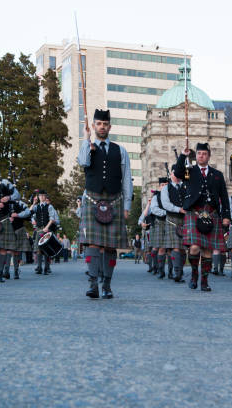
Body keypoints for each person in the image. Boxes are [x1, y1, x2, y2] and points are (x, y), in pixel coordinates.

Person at [78, 109, 133, 299]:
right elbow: (83, 162)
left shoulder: (121, 150)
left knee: (110, 247)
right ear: (93, 126)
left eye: (105, 124)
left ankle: (107, 286)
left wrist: (127, 206)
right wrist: (87, 140)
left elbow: (127, 180)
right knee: (92, 244)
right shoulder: (88, 146)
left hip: (115, 200)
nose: (102, 127)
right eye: (98, 124)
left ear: (110, 126)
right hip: (92, 199)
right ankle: (93, 284)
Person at [174, 142, 230, 292]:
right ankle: (194, 275)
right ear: (196, 155)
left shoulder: (217, 175)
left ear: (209, 156)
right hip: (194, 212)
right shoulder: (189, 171)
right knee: (194, 247)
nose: (201, 156)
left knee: (208, 250)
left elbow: (224, 197)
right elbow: (177, 173)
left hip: (212, 214)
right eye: (199, 153)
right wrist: (182, 155)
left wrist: (226, 216)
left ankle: (204, 281)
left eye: (204, 153)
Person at [160, 165, 188, 283]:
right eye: (174, 173)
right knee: (176, 247)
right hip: (172, 220)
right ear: (171, 174)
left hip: (186, 220)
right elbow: (165, 204)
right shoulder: (166, 188)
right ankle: (177, 273)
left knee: (183, 249)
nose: (176, 175)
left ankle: (180, 272)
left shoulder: (187, 186)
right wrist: (179, 209)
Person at [29, 190, 60, 275]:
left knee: (46, 249)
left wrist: (47, 227)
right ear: (38, 197)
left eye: (43, 196)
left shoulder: (49, 206)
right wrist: (33, 203)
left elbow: (52, 219)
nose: (42, 197)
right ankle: (39, 267)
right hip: (39, 229)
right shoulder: (36, 206)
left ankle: (46, 268)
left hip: (47, 229)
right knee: (38, 249)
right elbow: (29, 212)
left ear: (45, 197)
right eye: (40, 196)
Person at [8, 199, 33, 279]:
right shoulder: (3, 203)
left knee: (16, 251)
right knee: (7, 250)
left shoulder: (20, 204)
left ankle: (16, 270)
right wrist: (7, 218)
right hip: (7, 229)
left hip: (19, 228)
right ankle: (6, 271)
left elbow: (28, 213)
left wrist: (18, 215)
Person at [149, 178, 169, 278]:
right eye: (162, 185)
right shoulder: (156, 197)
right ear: (159, 186)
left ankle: (171, 272)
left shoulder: (172, 196)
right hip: (160, 222)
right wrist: (167, 213)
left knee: (172, 248)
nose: (164, 187)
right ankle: (159, 269)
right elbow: (154, 209)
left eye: (166, 184)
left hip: (172, 223)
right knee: (159, 247)